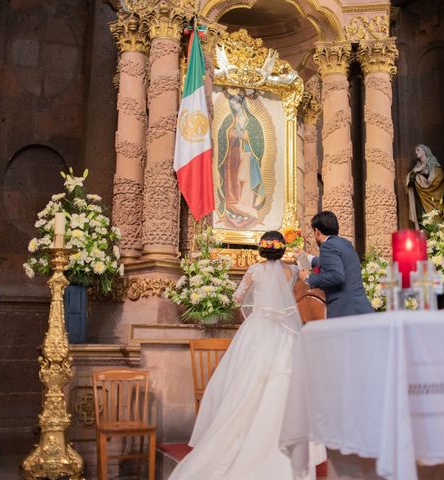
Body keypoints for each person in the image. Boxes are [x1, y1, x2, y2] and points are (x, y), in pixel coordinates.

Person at [169, 231, 324, 480]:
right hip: (286, 334)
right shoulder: (292, 271)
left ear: (262, 249)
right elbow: (308, 280)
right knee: (283, 386)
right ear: (281, 249)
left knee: (245, 386)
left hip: (258, 331)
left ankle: (242, 443)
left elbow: (237, 298)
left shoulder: (254, 271)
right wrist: (303, 255)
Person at [298, 211, 374, 318]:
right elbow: (333, 263)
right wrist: (307, 257)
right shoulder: (345, 243)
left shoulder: (327, 246)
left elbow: (337, 276)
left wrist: (308, 278)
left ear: (317, 231)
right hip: (359, 308)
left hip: (344, 311)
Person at [217, 90, 266, 229]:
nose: (234, 105)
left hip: (248, 157)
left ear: (242, 103)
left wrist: (247, 137)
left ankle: (247, 211)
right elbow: (221, 139)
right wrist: (230, 135)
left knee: (246, 183)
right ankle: (238, 211)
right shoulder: (228, 121)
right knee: (233, 185)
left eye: (236, 101)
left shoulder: (253, 122)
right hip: (232, 158)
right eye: (231, 102)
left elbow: (259, 143)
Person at [406, 144, 444, 228]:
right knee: (423, 218)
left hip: (434, 193)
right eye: (415, 151)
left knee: (436, 217)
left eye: (418, 150)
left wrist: (426, 176)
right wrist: (416, 174)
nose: (416, 152)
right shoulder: (418, 164)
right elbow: (411, 177)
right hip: (421, 196)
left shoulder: (432, 161)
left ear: (424, 151)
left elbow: (439, 175)